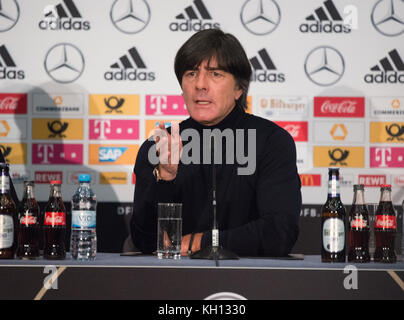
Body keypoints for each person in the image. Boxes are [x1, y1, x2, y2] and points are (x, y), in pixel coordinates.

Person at [131, 29, 301, 257]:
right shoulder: (160, 147)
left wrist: (203, 241)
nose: (200, 84)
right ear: (182, 88)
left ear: (239, 88)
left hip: (251, 282)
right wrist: (165, 179)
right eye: (191, 73)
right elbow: (145, 241)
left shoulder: (271, 142)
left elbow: (280, 233)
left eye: (215, 74)